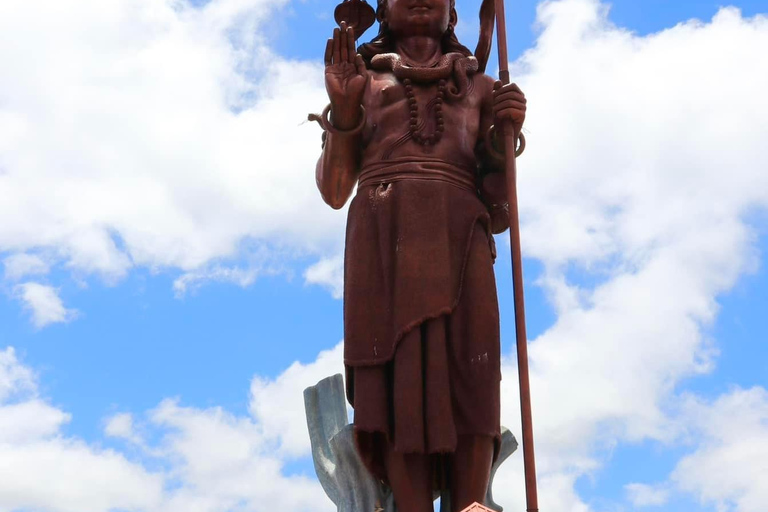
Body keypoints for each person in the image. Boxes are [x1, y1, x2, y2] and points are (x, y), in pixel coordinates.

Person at [313, 0, 526, 510]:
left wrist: (504, 137)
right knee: (394, 377)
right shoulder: (363, 80)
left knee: (472, 370)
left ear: (454, 10)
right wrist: (344, 111)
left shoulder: (481, 89)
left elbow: (500, 210)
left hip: (462, 233)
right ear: (382, 9)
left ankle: (470, 502)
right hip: (383, 234)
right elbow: (335, 188)